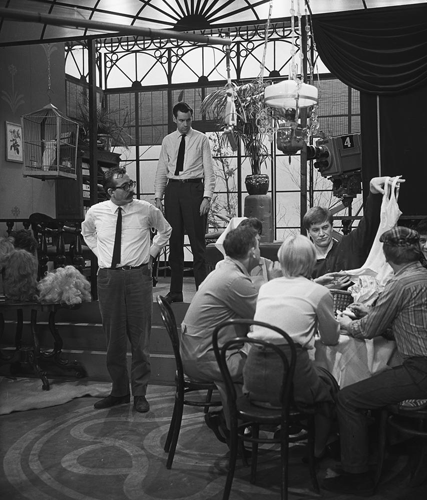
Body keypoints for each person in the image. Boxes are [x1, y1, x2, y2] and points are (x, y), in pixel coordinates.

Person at [322, 226, 427, 496]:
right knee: (371, 380)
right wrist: (373, 314)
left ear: (387, 257)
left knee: (347, 398)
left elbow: (367, 330)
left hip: (421, 371)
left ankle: (357, 475)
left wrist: (344, 324)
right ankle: (370, 448)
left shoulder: (399, 284)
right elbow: (410, 321)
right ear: (416, 251)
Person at [82, 167, 172, 413]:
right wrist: (101, 254)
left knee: (140, 339)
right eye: (125, 186)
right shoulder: (96, 212)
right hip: (109, 279)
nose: (131, 189)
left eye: (130, 183)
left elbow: (166, 230)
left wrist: (151, 254)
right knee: (114, 339)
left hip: (138, 277)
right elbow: (87, 232)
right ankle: (119, 392)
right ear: (111, 191)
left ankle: (140, 393)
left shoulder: (146, 209)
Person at [244, 234, 340, 458]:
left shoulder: (266, 288)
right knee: (328, 391)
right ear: (311, 261)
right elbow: (330, 339)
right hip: (291, 381)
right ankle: (318, 450)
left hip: (253, 377)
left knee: (313, 378)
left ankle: (292, 428)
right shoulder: (319, 293)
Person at [180, 225, 260, 440]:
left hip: (198, 351)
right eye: (259, 244)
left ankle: (232, 421)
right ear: (252, 251)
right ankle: (244, 423)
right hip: (206, 357)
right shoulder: (234, 279)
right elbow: (264, 316)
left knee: (259, 357)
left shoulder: (224, 270)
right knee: (268, 366)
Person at [154, 102, 215, 304]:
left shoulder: (201, 139)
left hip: (194, 190)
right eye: (181, 120)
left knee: (198, 245)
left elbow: (209, 171)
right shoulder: (168, 140)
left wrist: (206, 197)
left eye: (188, 120)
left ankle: (202, 293)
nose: (185, 124)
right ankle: (175, 292)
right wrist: (158, 197)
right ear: (174, 119)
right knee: (174, 242)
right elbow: (162, 170)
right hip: (173, 190)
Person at [303, 176, 405, 288]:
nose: (321, 234)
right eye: (316, 230)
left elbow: (369, 224)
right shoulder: (303, 261)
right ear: (308, 232)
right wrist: (325, 288)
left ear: (332, 227)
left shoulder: (350, 245)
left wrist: (373, 193)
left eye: (325, 227)